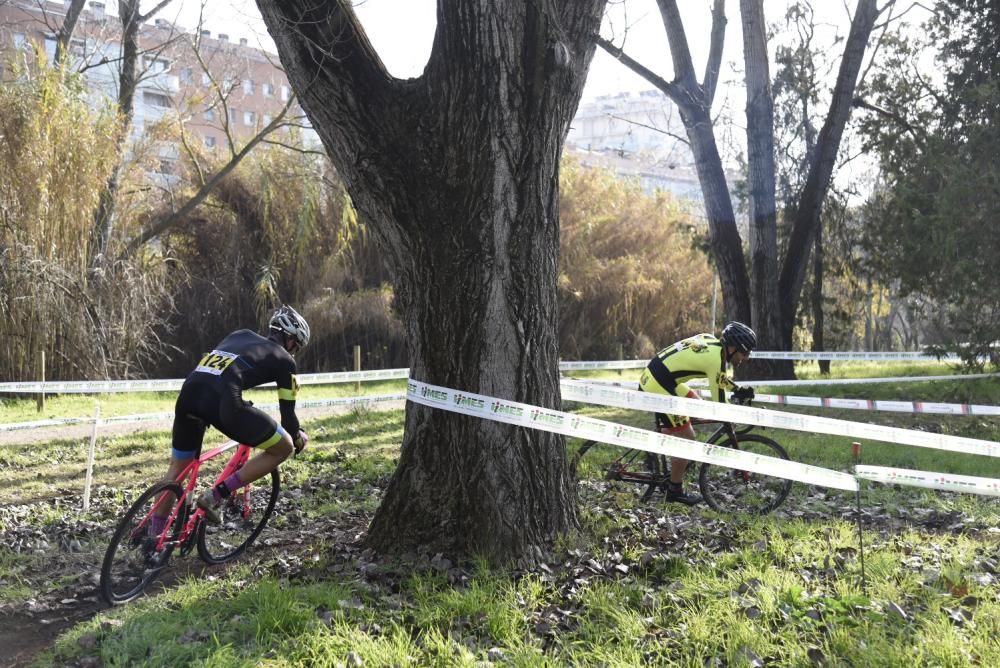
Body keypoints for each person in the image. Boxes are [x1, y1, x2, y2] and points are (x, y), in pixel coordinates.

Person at [151, 305, 311, 531]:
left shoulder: (239, 334)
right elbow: (288, 418)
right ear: (291, 340)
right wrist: (298, 436)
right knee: (283, 447)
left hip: (189, 393)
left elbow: (222, 368)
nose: (294, 352)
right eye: (296, 346)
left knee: (177, 470)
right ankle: (214, 497)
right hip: (222, 401)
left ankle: (151, 540)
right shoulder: (286, 361)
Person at [638, 321, 757, 505]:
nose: (746, 357)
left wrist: (737, 388)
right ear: (733, 347)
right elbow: (720, 404)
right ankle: (674, 490)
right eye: (745, 352)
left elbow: (719, 379)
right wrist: (734, 415)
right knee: (687, 437)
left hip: (662, 377)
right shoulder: (715, 360)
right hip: (658, 384)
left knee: (695, 404)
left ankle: (660, 444)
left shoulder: (713, 344)